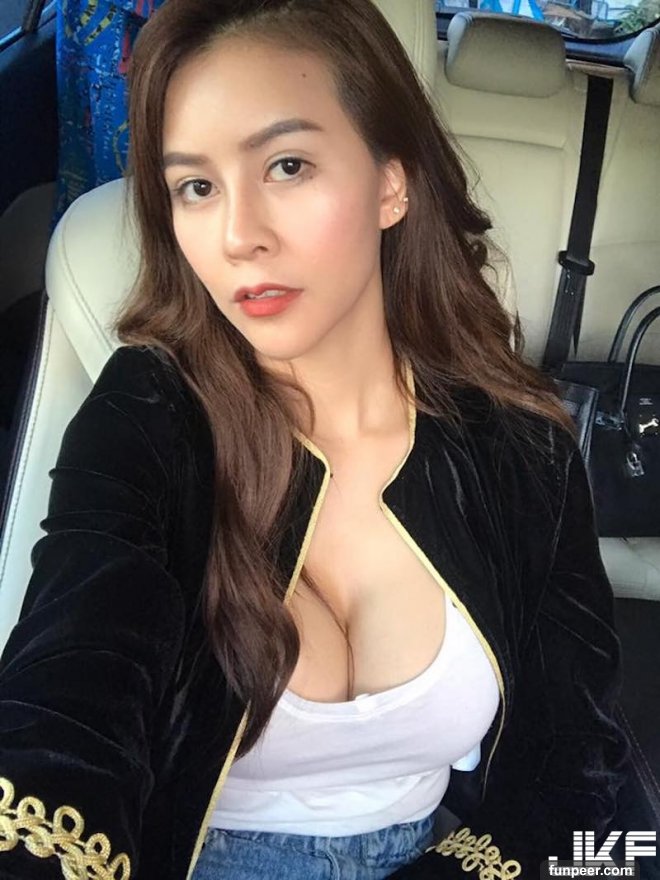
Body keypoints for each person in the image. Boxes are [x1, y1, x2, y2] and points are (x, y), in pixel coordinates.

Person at [0, 0, 631, 878]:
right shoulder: (151, 414)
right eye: (196, 187)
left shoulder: (520, 445)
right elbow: (65, 706)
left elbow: (580, 774)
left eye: (287, 166)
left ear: (390, 185)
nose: (238, 237)